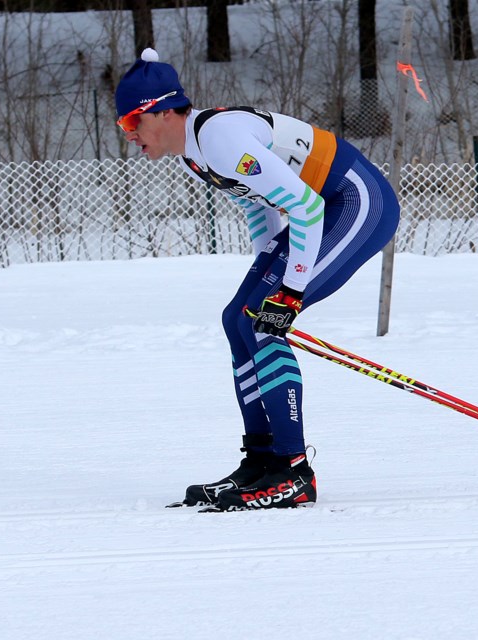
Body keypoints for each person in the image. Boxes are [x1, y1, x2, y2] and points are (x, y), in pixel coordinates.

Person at [115, 49, 400, 511]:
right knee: (237, 318)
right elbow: (259, 204)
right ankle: (262, 459)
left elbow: (305, 208)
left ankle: (293, 472)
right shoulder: (194, 153)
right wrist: (265, 275)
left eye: (131, 123)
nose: (128, 136)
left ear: (164, 111)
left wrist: (286, 291)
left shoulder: (219, 138)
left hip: (357, 203)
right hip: (320, 211)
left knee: (262, 320)